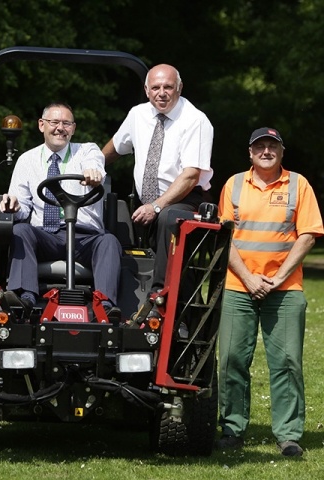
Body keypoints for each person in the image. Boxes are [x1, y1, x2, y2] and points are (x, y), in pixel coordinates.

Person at [216, 127, 324, 457]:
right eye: (259, 146)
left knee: (288, 361)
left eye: (272, 146)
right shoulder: (233, 185)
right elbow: (225, 238)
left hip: (285, 288)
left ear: (281, 151)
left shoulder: (298, 184)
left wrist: (276, 279)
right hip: (238, 286)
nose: (266, 151)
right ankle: (232, 429)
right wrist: (248, 278)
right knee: (232, 359)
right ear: (250, 153)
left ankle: (289, 435)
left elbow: (307, 235)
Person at [0, 102, 121, 322]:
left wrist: (93, 172)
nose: (60, 128)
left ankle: (105, 305)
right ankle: (24, 298)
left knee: (109, 241)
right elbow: (23, 206)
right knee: (20, 230)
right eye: (54, 122)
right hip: (46, 236)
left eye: (66, 123)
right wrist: (14, 206)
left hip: (85, 238)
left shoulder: (86, 151)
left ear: (73, 128)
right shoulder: (26, 160)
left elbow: (96, 164)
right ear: (41, 125)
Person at [102, 63, 214, 291]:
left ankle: (159, 294)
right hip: (149, 204)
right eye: (155, 88)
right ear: (146, 90)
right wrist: (89, 167)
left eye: (168, 87)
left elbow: (191, 176)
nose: (161, 93)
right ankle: (115, 294)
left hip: (188, 198)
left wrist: (156, 207)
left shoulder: (195, 120)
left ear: (179, 88)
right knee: (113, 213)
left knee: (168, 218)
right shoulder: (138, 114)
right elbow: (114, 148)